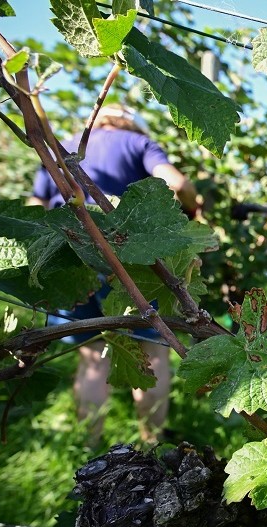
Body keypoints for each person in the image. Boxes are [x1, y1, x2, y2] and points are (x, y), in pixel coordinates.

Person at [30, 104, 201, 445]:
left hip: (72, 257)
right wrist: (195, 209)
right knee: (152, 354)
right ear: (130, 122)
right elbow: (177, 183)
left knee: (93, 356)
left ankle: (89, 448)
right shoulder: (138, 144)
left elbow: (36, 205)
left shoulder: (58, 148)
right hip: (129, 259)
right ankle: (151, 442)